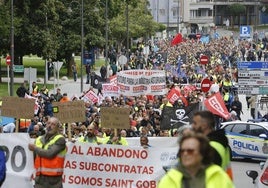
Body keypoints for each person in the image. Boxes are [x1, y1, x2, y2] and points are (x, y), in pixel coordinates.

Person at [158, 133, 234, 188]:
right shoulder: (169, 179)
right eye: (182, 150)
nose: (185, 153)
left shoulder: (219, 177)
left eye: (190, 151)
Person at [191, 110, 233, 180]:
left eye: (195, 123)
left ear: (204, 125)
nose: (192, 126)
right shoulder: (219, 142)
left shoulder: (210, 147)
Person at [28, 117, 67, 188]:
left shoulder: (60, 139)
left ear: (57, 128)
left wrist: (35, 148)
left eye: (53, 124)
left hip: (54, 181)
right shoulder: (38, 139)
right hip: (39, 179)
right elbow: (33, 158)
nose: (50, 126)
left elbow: (50, 154)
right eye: (48, 123)